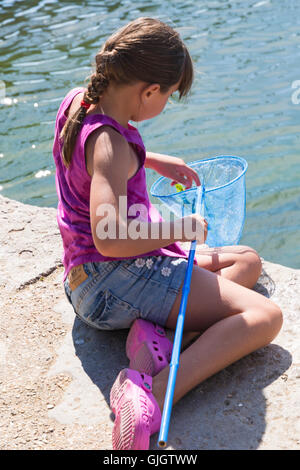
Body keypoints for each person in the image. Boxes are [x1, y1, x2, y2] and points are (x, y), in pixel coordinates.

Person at [53, 17, 283, 450]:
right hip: (112, 279)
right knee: (264, 317)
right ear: (149, 91)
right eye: (170, 96)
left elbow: (105, 157)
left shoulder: (80, 103)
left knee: (247, 261)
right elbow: (109, 236)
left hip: (88, 278)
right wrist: (180, 228)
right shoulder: (111, 145)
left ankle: (156, 336)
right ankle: (155, 392)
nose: (167, 103)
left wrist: (151, 159)